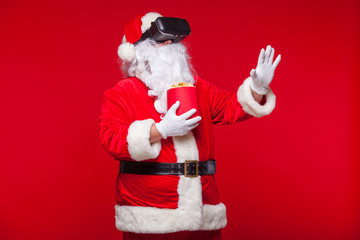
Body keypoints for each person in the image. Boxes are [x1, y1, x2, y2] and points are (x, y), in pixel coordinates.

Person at [99, 12, 281, 240]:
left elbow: (230, 107)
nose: (168, 44)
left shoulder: (197, 87)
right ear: (136, 51)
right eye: (160, 41)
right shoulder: (122, 92)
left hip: (201, 208)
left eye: (171, 41)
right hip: (149, 214)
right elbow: (111, 138)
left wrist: (258, 88)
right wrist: (160, 130)